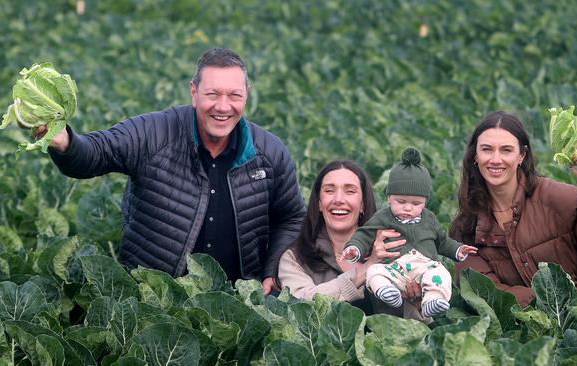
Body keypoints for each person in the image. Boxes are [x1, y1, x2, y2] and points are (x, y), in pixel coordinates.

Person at [38, 48, 305, 294]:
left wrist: (273, 270)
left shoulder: (269, 152)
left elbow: (291, 217)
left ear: (246, 93)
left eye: (234, 95)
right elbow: (98, 151)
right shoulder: (153, 133)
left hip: (240, 301)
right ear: (193, 92)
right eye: (212, 94)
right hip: (156, 297)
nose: (223, 107)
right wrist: (67, 143)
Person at [450, 111, 577, 306]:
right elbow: (487, 293)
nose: (495, 159)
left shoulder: (556, 197)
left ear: (521, 156)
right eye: (486, 149)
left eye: (506, 150)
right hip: (527, 325)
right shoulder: (465, 228)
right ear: (475, 156)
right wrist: (549, 305)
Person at [342, 147, 477, 318]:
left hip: (424, 267)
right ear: (388, 197)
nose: (407, 207)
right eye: (401, 201)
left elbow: (443, 242)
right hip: (393, 268)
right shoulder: (383, 217)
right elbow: (364, 234)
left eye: (416, 203)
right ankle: (387, 291)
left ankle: (432, 301)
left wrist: (458, 249)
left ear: (425, 202)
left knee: (441, 273)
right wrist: (354, 248)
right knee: (374, 271)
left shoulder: (429, 218)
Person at [277, 160, 422, 317]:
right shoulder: (294, 259)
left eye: (350, 191)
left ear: (362, 205)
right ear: (319, 203)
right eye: (329, 191)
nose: (338, 199)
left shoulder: (393, 249)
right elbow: (302, 308)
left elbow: (419, 327)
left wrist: (416, 305)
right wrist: (368, 267)